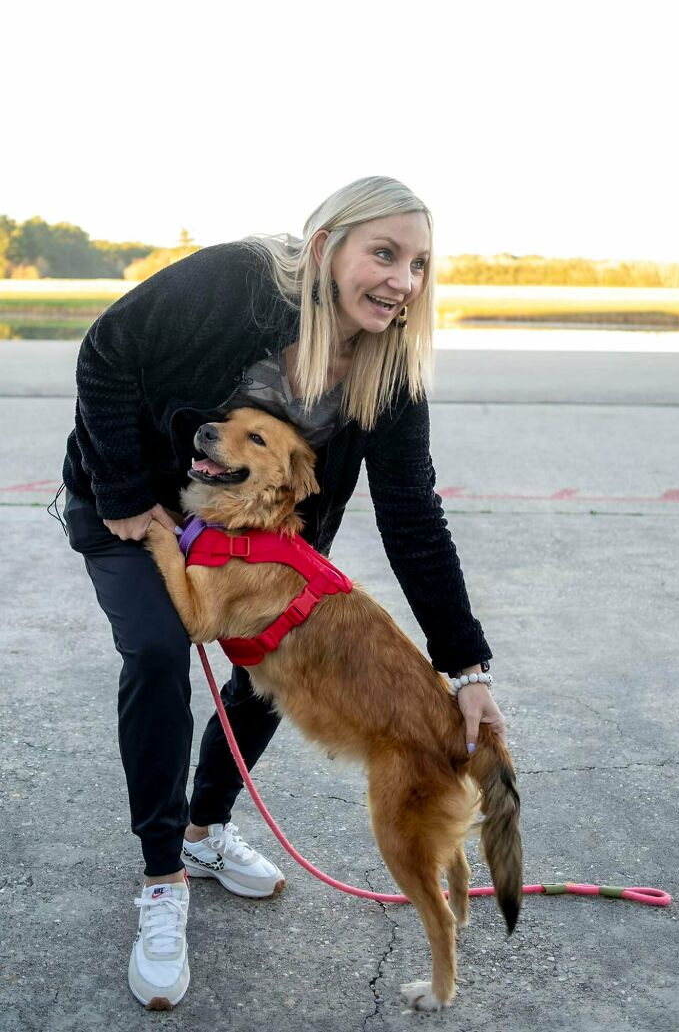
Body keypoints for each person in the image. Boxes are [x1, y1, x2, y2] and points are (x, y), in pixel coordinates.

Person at [61, 175, 508, 1009]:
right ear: (328, 243)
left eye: (417, 264)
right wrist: (122, 492)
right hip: (140, 508)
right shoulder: (239, 284)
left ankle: (205, 831)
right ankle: (163, 880)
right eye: (384, 253)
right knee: (160, 649)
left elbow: (412, 515)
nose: (402, 281)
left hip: (273, 536)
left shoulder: (390, 370)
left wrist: (468, 666)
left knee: (279, 671)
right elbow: (107, 351)